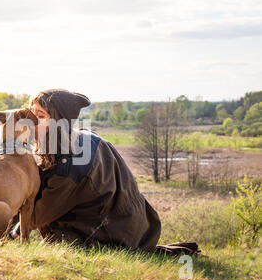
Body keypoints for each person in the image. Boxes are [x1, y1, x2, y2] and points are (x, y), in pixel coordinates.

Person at [11, 88, 199, 256]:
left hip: (114, 234)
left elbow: (34, 216)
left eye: (41, 116)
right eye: (31, 113)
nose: (30, 121)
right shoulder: (81, 138)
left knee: (56, 247)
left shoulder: (70, 167)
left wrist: (2, 211)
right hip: (137, 227)